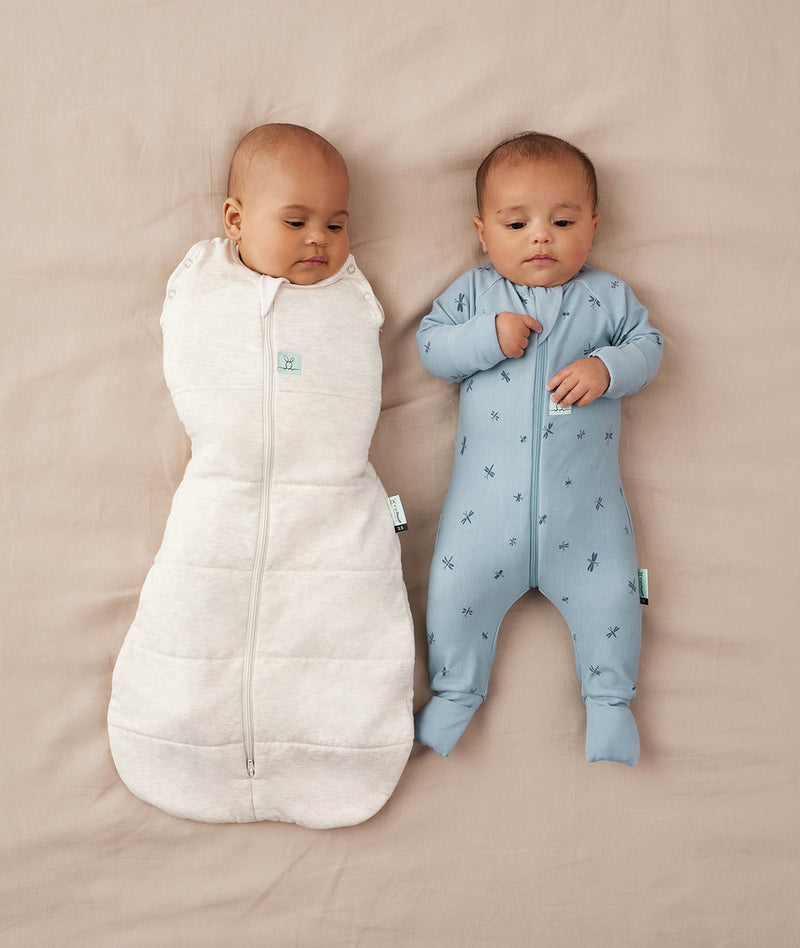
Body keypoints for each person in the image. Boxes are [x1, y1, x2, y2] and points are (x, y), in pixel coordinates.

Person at [108, 125, 414, 826]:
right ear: (235, 220)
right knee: (194, 612)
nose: (320, 240)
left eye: (337, 224)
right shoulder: (203, 283)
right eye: (297, 221)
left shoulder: (349, 295)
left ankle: (335, 750)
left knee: (336, 629)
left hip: (336, 508)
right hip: (222, 494)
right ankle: (182, 738)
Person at [414, 132, 662, 765]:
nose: (541, 236)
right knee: (452, 589)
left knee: (612, 595)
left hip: (588, 519)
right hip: (482, 517)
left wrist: (607, 367)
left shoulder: (607, 298)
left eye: (563, 220)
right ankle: (455, 692)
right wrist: (487, 338)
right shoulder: (472, 296)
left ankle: (609, 703)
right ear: (482, 231)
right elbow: (431, 349)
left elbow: (649, 347)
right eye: (517, 222)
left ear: (594, 225)